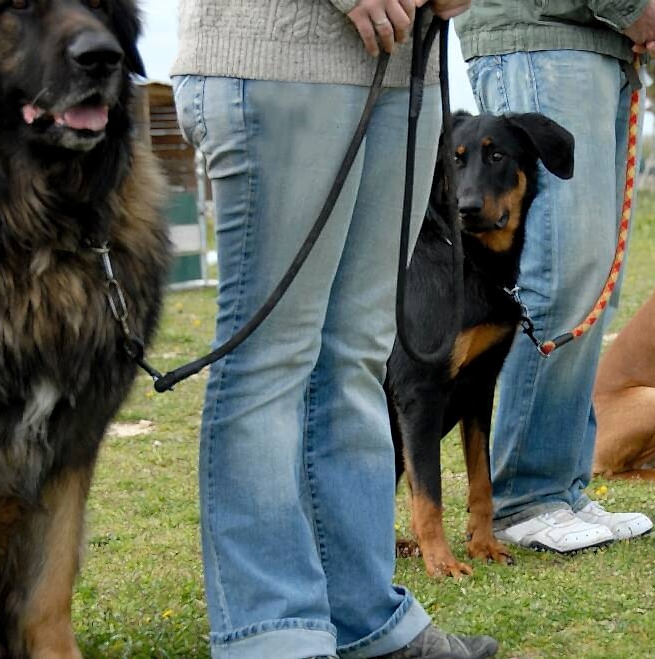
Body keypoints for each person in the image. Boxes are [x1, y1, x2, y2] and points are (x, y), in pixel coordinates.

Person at [173, 1, 497, 657]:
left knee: (356, 358)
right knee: (272, 359)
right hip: (278, 54)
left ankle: (362, 614)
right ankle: (271, 630)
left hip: (406, 69)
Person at [453, 2, 655, 554]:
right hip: (543, 29)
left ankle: (560, 487)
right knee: (558, 274)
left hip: (599, 39)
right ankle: (523, 498)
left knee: (590, 282)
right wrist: (632, 8)